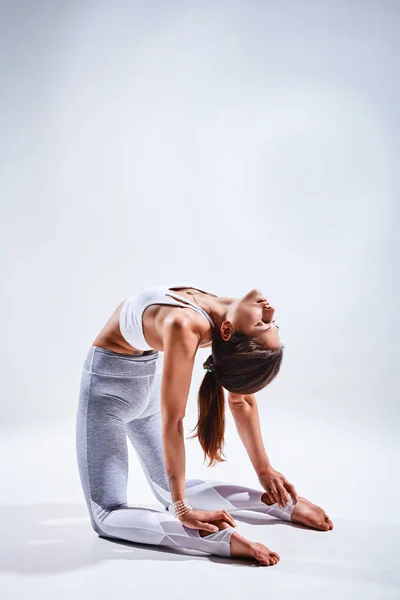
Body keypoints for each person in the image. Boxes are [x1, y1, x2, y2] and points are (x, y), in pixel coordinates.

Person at [76, 283, 333, 567]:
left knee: (106, 514)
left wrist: (183, 508)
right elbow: (239, 400)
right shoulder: (224, 319)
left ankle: (217, 540)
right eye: (271, 322)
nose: (269, 310)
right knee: (170, 489)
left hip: (108, 392)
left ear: (227, 331)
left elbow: (176, 420)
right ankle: (284, 505)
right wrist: (263, 471)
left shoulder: (186, 324)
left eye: (262, 323)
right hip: (147, 385)